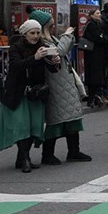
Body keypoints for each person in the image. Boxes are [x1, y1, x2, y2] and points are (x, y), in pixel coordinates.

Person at [0, 19, 50, 172]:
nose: (36, 36)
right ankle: (25, 159)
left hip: (36, 91)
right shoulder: (15, 48)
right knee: (22, 126)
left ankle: (21, 158)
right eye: (32, 33)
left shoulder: (42, 46)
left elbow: (51, 69)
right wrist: (35, 58)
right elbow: (16, 66)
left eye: (38, 33)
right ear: (25, 34)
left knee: (34, 126)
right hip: (18, 92)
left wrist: (54, 60)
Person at [39, 13, 92, 165]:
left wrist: (68, 37)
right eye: (51, 23)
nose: (53, 25)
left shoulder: (52, 38)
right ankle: (47, 154)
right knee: (55, 120)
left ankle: (74, 151)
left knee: (73, 117)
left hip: (65, 82)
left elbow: (61, 50)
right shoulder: (42, 42)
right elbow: (59, 52)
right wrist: (67, 36)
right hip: (55, 84)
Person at [80, 8, 108, 107]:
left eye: (99, 13)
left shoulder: (98, 24)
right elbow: (98, 38)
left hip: (97, 54)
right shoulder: (91, 25)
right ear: (91, 15)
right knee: (94, 77)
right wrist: (103, 38)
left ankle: (95, 97)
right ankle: (92, 98)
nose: (99, 15)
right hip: (92, 55)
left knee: (97, 77)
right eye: (97, 13)